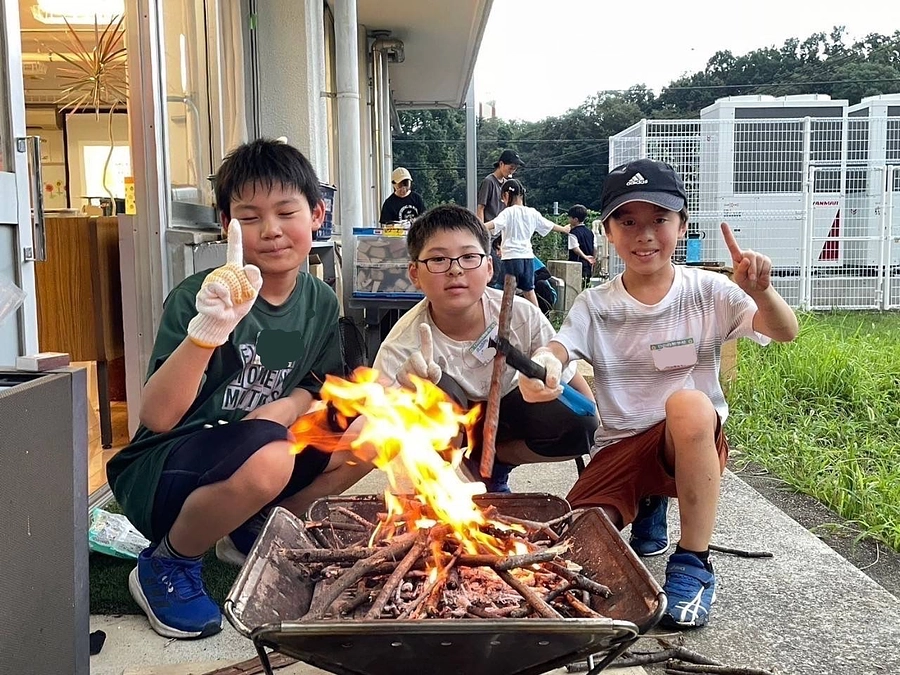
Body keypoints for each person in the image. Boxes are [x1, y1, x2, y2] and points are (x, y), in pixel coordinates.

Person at [106, 139, 374, 640]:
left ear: (317, 215)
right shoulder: (201, 296)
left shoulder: (318, 299)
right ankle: (167, 562)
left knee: (371, 434)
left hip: (258, 449)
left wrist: (286, 405)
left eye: (286, 212)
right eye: (249, 217)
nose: (271, 230)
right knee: (271, 454)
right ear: (225, 225)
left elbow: (317, 385)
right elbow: (157, 418)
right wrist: (207, 332)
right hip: (166, 470)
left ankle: (251, 528)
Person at [517, 158, 798, 629]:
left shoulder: (709, 290)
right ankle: (647, 503)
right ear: (608, 232)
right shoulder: (595, 304)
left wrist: (762, 293)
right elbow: (560, 348)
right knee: (568, 550)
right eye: (627, 222)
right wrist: (544, 363)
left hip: (688, 441)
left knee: (688, 404)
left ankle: (693, 563)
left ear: (682, 225)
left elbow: (784, 331)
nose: (644, 235)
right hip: (620, 446)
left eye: (659, 220)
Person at [372, 204, 597, 494]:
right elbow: (381, 432)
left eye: (469, 257)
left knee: (582, 425)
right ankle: (455, 478)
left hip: (510, 414)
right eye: (438, 259)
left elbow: (571, 381)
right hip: (453, 432)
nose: (455, 269)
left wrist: (597, 435)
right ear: (414, 274)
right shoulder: (402, 344)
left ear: (489, 267)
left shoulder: (520, 314)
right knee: (435, 387)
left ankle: (494, 464)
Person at [484, 179, 570, 307]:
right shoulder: (532, 212)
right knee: (529, 292)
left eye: (503, 199)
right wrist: (564, 229)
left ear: (506, 195)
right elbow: (549, 225)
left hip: (511, 258)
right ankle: (537, 317)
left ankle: (504, 318)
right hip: (528, 259)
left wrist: (474, 226)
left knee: (505, 292)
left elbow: (492, 224)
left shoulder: (508, 212)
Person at [476, 148, 524, 223]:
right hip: (490, 227)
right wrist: (482, 228)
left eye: (514, 169)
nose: (512, 172)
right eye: (510, 168)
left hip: (503, 228)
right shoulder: (489, 182)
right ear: (501, 164)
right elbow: (480, 208)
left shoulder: (507, 184)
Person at [566, 204, 595, 289]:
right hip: (588, 264)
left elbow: (575, 248)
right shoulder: (590, 232)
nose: (569, 220)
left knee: (574, 288)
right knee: (586, 286)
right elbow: (595, 247)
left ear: (575, 219)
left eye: (570, 218)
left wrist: (585, 257)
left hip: (576, 263)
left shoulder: (573, 233)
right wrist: (592, 259)